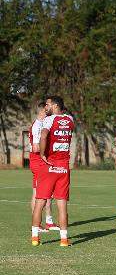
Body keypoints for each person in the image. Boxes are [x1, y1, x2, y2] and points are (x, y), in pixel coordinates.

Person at [31, 96, 74, 247]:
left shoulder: (49, 120)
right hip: (64, 167)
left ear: (55, 106)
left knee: (40, 202)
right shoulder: (70, 120)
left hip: (49, 164)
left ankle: (35, 238)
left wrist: (42, 154)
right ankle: (63, 239)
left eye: (48, 104)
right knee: (62, 205)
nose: (46, 106)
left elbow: (43, 136)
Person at [28, 101, 58, 232]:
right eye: (46, 110)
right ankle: (37, 225)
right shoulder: (37, 125)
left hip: (42, 161)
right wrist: (47, 148)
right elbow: (35, 148)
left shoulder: (44, 123)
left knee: (47, 193)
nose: (48, 111)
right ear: (42, 111)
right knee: (38, 194)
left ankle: (49, 221)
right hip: (38, 161)